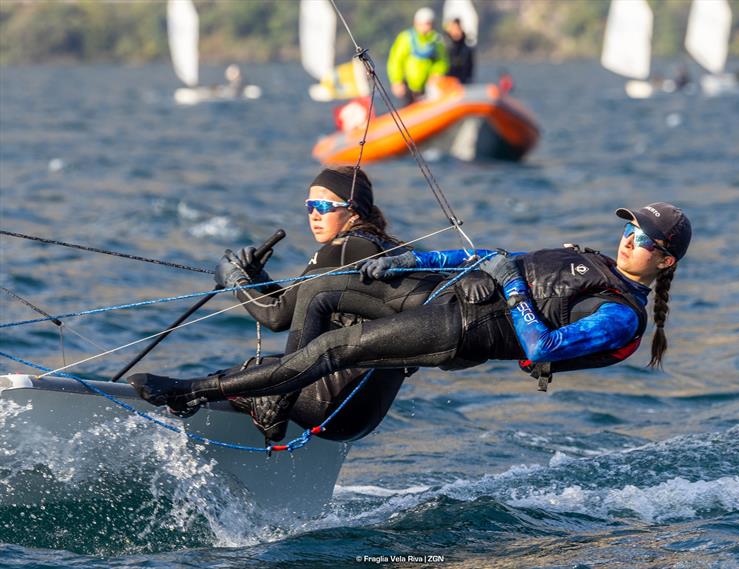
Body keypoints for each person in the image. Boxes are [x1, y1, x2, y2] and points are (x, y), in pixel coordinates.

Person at [130, 203, 692, 415]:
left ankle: (194, 391)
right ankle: (276, 401)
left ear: (663, 262)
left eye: (643, 238)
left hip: (463, 332)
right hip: (451, 294)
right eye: (629, 226)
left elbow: (539, 347)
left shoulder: (621, 316)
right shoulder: (587, 258)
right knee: (325, 292)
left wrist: (507, 287)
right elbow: (494, 256)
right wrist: (402, 266)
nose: (629, 238)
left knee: (335, 347)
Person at [208, 166, 440, 443]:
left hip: (329, 403)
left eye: (324, 206)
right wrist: (259, 280)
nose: (315, 215)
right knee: (263, 369)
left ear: (353, 211)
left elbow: (277, 317)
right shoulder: (388, 249)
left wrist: (236, 282)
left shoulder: (342, 249)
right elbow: (298, 309)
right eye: (309, 207)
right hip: (363, 413)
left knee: (230, 379)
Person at [387, 7, 449, 105]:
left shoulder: (437, 41)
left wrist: (436, 73)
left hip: (428, 89)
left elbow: (442, 61)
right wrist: (397, 81)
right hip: (408, 87)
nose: (425, 28)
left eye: (428, 24)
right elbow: (395, 61)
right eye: (422, 24)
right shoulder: (405, 38)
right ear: (415, 23)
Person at [444, 18, 474, 84]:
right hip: (447, 85)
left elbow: (469, 71)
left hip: (463, 85)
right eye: (454, 29)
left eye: (458, 28)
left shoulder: (467, 49)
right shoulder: (444, 48)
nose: (456, 31)